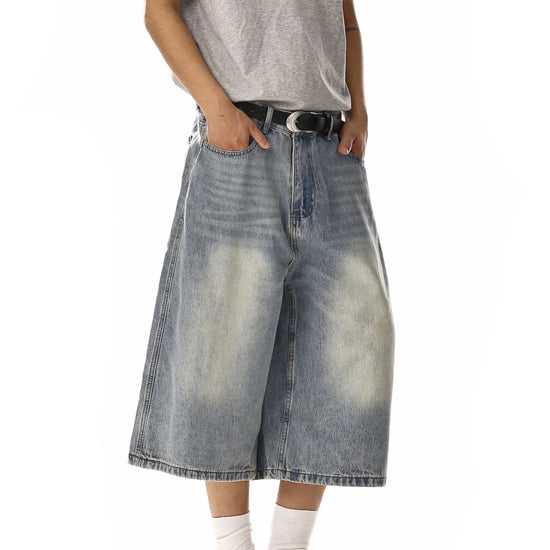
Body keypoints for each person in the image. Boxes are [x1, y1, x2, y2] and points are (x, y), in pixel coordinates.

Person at [128, 1, 395, 549]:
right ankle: (233, 543)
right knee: (222, 346)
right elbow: (159, 11)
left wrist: (360, 108)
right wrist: (216, 107)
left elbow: (345, 20)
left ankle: (290, 544)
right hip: (244, 144)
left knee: (351, 345)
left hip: (333, 151)